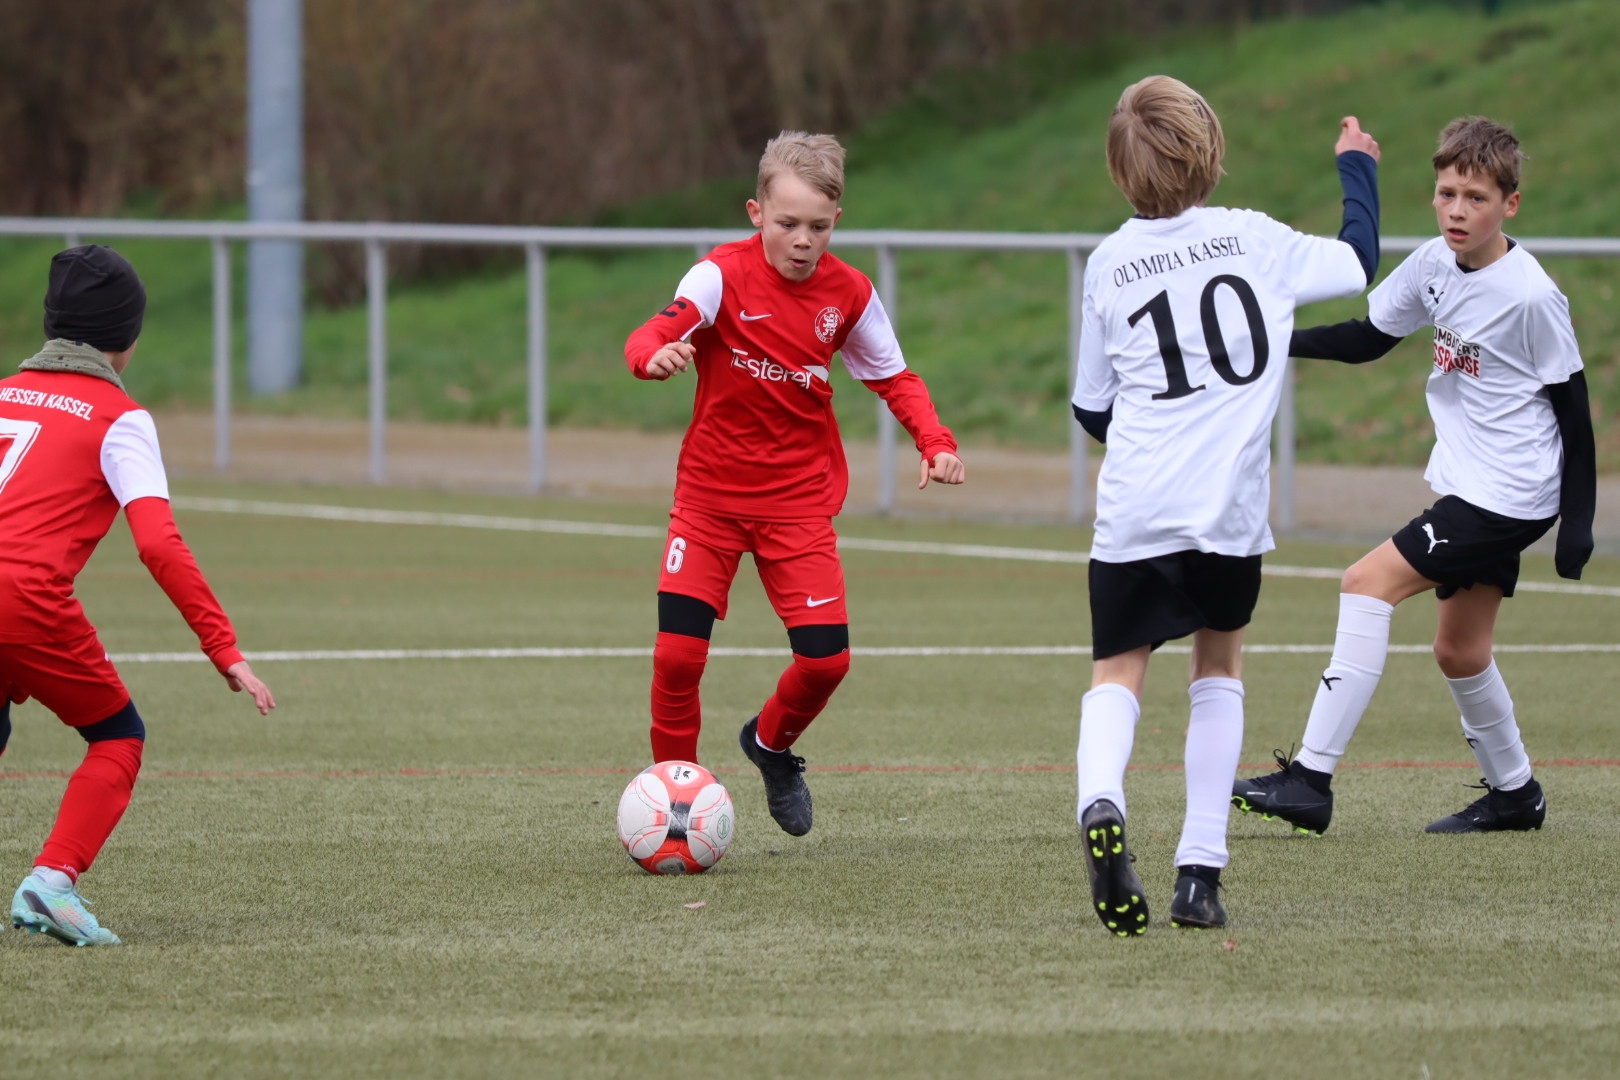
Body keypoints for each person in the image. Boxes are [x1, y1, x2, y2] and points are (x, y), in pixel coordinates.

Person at [1071, 77, 1380, 934]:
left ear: (1119, 171)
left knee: (1117, 674)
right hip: (1227, 513)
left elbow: (1092, 408)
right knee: (1218, 669)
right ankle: (1199, 873)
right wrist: (1356, 167)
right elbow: (1358, 262)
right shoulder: (1255, 238)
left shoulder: (1108, 263)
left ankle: (1101, 803)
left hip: (1135, 507)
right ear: (1209, 153)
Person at [1233, 117, 1594, 836]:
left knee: (1366, 583)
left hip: (1509, 494)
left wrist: (1576, 524)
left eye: (1476, 198)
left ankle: (1309, 780)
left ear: (1510, 205)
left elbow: (1575, 413)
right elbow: (1369, 339)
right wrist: (1274, 343)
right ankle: (1516, 795)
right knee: (1460, 651)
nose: (1457, 210)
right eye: (1447, 193)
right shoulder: (1433, 263)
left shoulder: (1530, 296)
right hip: (1474, 485)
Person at [623, 131, 964, 838]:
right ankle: (672, 801)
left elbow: (895, 377)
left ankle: (770, 744)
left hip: (798, 505)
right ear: (756, 213)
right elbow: (654, 330)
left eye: (819, 226)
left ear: (837, 220)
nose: (803, 241)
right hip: (710, 501)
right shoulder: (718, 276)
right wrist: (651, 355)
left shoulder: (850, 293)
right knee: (678, 657)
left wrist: (936, 442)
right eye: (787, 224)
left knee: (826, 662)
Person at [2, 246, 275, 947]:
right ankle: (52, 881)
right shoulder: (121, 418)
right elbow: (158, 543)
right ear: (127, 336)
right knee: (117, 736)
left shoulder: (3, 391)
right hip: (24, 598)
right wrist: (223, 646)